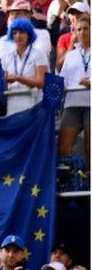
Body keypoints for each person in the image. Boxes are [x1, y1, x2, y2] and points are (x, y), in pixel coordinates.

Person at [58, 15, 90, 163]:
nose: (82, 32)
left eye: (86, 28)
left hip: (90, 103)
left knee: (90, 147)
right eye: (79, 29)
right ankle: (69, 181)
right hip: (72, 103)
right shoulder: (70, 55)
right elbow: (62, 79)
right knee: (63, 148)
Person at [0, 18, 48, 114]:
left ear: (29, 34)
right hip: (12, 105)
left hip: (33, 104)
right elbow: (3, 83)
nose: (18, 36)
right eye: (14, 33)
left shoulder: (39, 54)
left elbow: (41, 82)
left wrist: (18, 78)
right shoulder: (7, 57)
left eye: (22, 32)